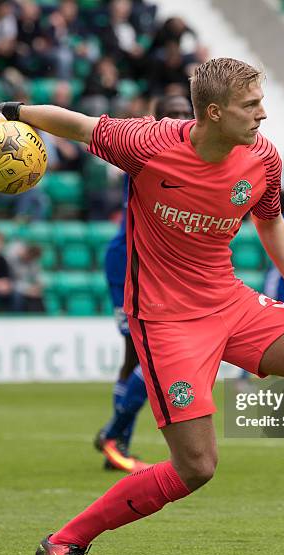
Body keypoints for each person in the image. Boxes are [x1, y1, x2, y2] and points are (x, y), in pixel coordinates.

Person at [0, 57, 284, 555]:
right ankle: (65, 541)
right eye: (251, 105)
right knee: (197, 467)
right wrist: (7, 112)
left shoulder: (263, 159)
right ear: (213, 112)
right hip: (165, 321)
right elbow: (76, 124)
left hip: (228, 301)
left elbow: (271, 218)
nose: (263, 114)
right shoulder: (147, 143)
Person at [94, 94, 194, 473]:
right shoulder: (145, 152)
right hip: (129, 268)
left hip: (161, 272)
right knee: (140, 355)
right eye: (175, 115)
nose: (182, 121)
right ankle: (116, 438)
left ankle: (116, 436)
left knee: (136, 357)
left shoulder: (194, 153)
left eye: (188, 114)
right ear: (156, 121)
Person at [5, 241, 45, 313]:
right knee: (17, 296)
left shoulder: (33, 262)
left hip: (23, 286)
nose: (28, 259)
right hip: (9, 285)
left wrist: (37, 287)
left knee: (38, 296)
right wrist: (27, 290)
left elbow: (38, 278)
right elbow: (12, 280)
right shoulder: (11, 258)